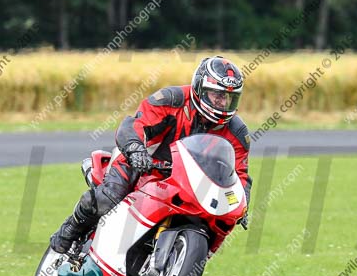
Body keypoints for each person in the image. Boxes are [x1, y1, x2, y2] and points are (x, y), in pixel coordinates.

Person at [50, 56, 252, 253]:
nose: (222, 103)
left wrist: (240, 204)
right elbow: (136, 124)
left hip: (188, 182)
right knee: (109, 197)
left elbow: (239, 173)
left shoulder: (237, 132)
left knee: (214, 225)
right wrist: (135, 150)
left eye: (229, 98)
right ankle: (68, 232)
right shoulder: (172, 99)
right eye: (216, 95)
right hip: (143, 162)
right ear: (200, 88)